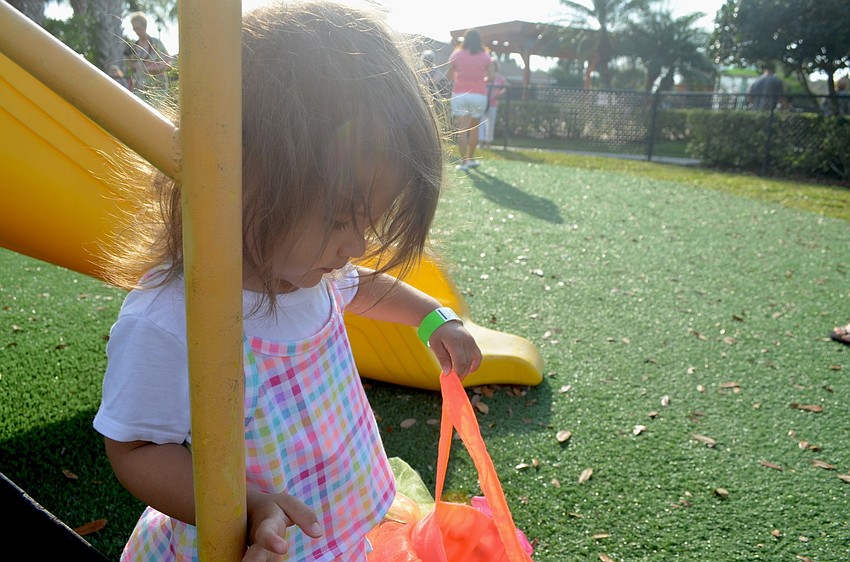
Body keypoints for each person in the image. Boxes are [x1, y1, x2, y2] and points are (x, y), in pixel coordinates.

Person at [93, 2, 482, 561]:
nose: (356, 245)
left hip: (343, 522)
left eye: (368, 222)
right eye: (344, 217)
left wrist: (431, 315)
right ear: (248, 175)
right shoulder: (172, 316)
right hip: (262, 543)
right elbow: (133, 447)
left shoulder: (309, 272)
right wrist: (246, 504)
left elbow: (365, 285)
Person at [447, 28, 494, 171]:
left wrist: (462, 78)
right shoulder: (485, 56)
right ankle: (472, 159)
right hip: (479, 94)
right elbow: (491, 77)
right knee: (474, 129)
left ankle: (463, 162)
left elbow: (449, 76)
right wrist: (481, 79)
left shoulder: (457, 54)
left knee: (462, 130)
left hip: (460, 93)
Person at [127, 11, 174, 104]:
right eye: (134, 29)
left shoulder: (156, 44)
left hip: (158, 91)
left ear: (144, 26)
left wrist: (156, 68)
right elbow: (131, 67)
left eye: (138, 28)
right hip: (140, 91)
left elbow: (168, 62)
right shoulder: (134, 48)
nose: (136, 32)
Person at [478, 59, 507, 148]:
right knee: (481, 123)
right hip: (483, 102)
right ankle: (481, 141)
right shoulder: (483, 76)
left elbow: (506, 87)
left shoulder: (500, 78)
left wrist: (500, 94)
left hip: (493, 103)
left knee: (491, 123)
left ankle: (488, 142)